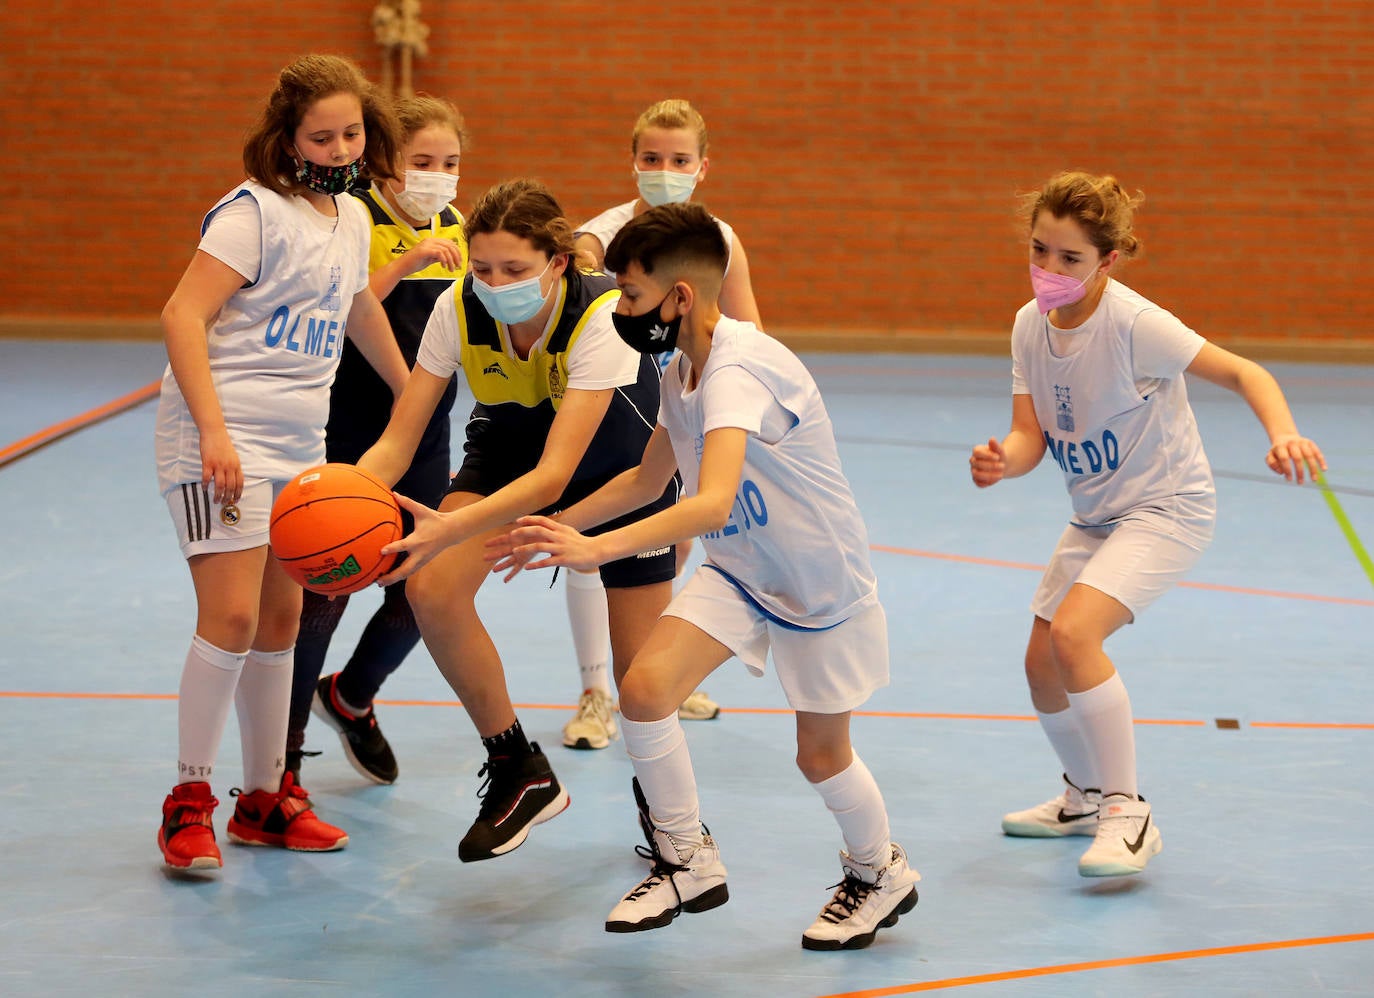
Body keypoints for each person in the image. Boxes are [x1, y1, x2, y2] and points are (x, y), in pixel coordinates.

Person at [488, 202, 920, 950]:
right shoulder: (679, 363)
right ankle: (686, 858)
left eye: (630, 295)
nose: (621, 310)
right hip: (741, 569)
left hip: (816, 583)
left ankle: (880, 871)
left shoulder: (739, 369)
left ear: (679, 296)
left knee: (820, 756)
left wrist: (599, 552)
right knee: (647, 690)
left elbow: (711, 497)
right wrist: (567, 528)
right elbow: (650, 476)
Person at [969, 170, 1326, 878]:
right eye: (1039, 251)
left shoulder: (1137, 324)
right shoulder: (1027, 325)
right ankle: (1085, 796)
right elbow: (1029, 435)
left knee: (1074, 635)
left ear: (1109, 260)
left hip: (1165, 509)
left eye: (1069, 259)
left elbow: (1246, 373)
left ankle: (1129, 814)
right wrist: (1001, 461)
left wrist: (1283, 432)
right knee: (1041, 666)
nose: (1048, 270)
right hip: (1096, 515)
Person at [358, 178, 677, 863]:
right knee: (432, 587)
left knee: (642, 680)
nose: (495, 283)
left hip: (620, 470)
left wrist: (446, 527)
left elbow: (557, 478)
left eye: (514, 269)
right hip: (508, 451)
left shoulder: (604, 315)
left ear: (558, 263)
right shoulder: (458, 307)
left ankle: (672, 822)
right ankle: (517, 769)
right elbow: (400, 434)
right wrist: (346, 493)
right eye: (482, 268)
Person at [153, 54, 411, 871]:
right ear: (287, 138)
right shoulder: (250, 214)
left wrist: (411, 389)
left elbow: (358, 305)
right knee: (229, 619)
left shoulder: (354, 218)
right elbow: (182, 315)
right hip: (216, 439)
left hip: (299, 444)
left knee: (281, 623)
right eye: (322, 136)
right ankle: (187, 801)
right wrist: (215, 432)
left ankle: (266, 798)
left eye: (351, 134)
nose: (339, 149)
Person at [560, 98, 764, 752]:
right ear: (633, 162)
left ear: (703, 167)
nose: (664, 169)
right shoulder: (604, 237)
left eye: (679, 159)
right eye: (652, 158)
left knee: (667, 548)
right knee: (599, 543)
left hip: (684, 403)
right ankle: (597, 691)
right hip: (617, 402)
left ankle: (653, 668)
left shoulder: (720, 240)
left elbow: (749, 331)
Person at [287, 93, 468, 787]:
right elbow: (347, 303)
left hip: (428, 431)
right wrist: (409, 259)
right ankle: (287, 747)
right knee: (326, 588)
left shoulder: (457, 223)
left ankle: (351, 695)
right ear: (387, 164)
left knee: (426, 582)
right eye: (422, 161)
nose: (438, 176)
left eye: (450, 163)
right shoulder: (356, 213)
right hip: (354, 424)